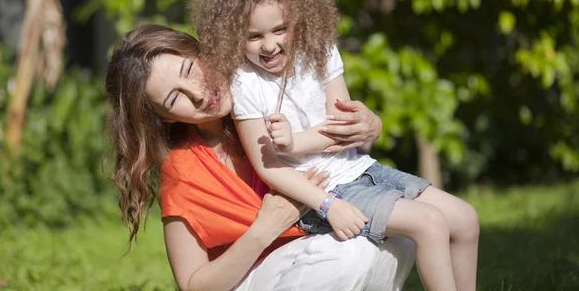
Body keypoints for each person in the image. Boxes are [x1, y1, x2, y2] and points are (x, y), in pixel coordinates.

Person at [190, 0, 480, 291]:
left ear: (298, 19)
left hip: (361, 169)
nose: (269, 46)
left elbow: (343, 129)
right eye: (254, 36)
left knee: (465, 220)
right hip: (319, 191)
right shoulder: (244, 81)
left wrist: (297, 141)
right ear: (233, 35)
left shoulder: (320, 50)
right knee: (430, 224)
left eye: (280, 29)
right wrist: (328, 205)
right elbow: (268, 166)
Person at [105, 24, 415, 291]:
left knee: (399, 237)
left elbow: (345, 159)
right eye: (175, 98)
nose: (197, 94)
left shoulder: (262, 90)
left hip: (320, 252)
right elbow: (192, 284)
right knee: (351, 253)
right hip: (260, 276)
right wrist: (264, 229)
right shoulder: (184, 172)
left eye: (188, 69)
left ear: (200, 51)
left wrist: (369, 128)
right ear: (166, 118)